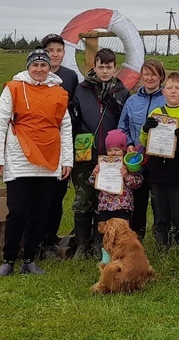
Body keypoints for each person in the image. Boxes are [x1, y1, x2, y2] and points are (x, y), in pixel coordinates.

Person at [0, 49, 72, 277]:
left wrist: (67, 160)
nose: (39, 69)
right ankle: (8, 259)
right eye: (35, 65)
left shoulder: (59, 92)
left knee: (40, 212)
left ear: (49, 67)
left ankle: (29, 259)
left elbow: (65, 127)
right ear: (28, 67)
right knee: (18, 211)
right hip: (19, 158)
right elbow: (0, 122)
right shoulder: (13, 88)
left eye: (43, 65)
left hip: (49, 158)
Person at [69, 47, 130, 259]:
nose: (104, 70)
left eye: (109, 67)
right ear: (94, 66)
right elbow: (73, 121)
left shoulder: (122, 93)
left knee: (105, 201)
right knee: (83, 199)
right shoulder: (81, 89)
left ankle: (99, 244)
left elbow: (126, 122)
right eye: (101, 66)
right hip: (86, 155)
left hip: (112, 157)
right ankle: (81, 245)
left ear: (115, 68)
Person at [139, 71, 179, 249]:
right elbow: (144, 141)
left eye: (178, 88)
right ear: (163, 92)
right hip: (158, 171)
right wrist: (145, 129)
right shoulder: (156, 112)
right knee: (159, 210)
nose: (173, 91)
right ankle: (162, 244)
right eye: (169, 88)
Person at [40, 33, 82, 257]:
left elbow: (74, 108)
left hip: (62, 143)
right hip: (38, 144)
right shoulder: (34, 74)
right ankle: (35, 236)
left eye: (58, 51)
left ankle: (49, 238)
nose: (54, 55)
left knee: (57, 193)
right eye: (50, 51)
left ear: (64, 54)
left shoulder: (70, 77)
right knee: (38, 192)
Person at [116, 58, 166, 238]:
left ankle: (162, 238)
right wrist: (129, 143)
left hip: (161, 159)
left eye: (153, 74)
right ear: (141, 76)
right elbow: (123, 127)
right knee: (138, 201)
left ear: (161, 76)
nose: (150, 78)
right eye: (146, 74)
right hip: (137, 160)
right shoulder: (132, 101)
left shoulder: (167, 99)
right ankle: (137, 238)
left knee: (159, 201)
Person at [94, 129, 141, 227]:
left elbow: (137, 183)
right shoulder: (103, 164)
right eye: (109, 150)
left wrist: (127, 176)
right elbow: (92, 182)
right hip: (105, 206)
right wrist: (95, 174)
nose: (113, 153)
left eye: (117, 150)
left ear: (124, 150)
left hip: (123, 207)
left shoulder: (128, 164)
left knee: (122, 232)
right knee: (105, 232)